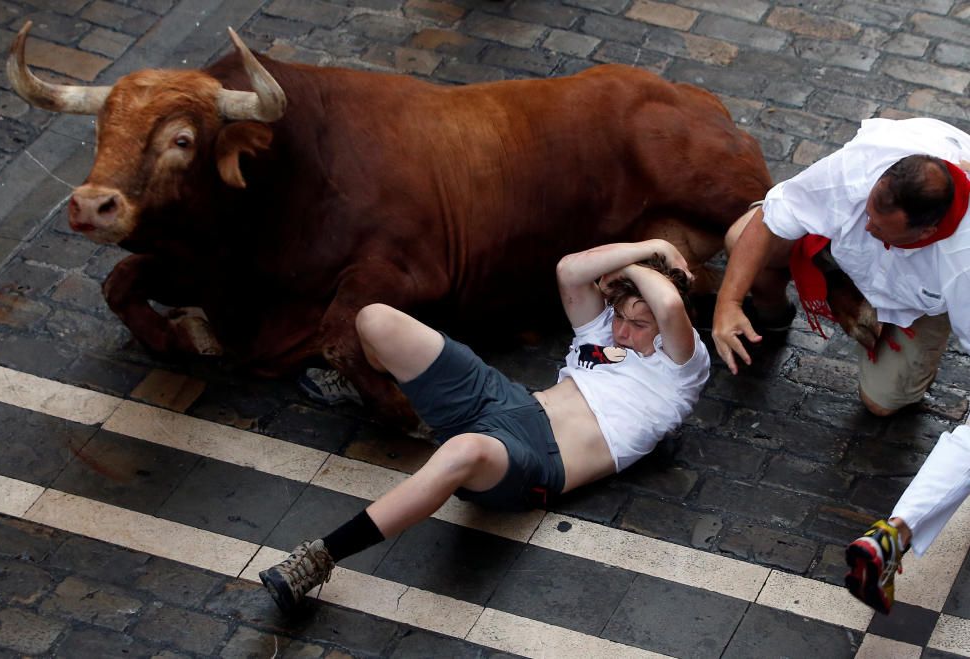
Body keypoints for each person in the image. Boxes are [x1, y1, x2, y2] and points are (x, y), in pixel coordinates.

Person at [259, 239, 711, 613]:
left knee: (463, 452)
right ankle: (398, 405)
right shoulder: (604, 329)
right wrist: (653, 248)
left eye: (639, 324)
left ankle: (321, 558)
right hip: (504, 400)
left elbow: (669, 300)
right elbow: (570, 269)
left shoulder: (680, 367)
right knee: (375, 320)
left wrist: (650, 266)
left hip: (536, 460)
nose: (623, 333)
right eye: (621, 318)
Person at [711, 117, 970, 614]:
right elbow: (770, 217)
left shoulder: (962, 269)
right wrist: (728, 303)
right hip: (859, 270)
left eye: (882, 229)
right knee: (743, 233)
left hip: (921, 306)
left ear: (929, 231)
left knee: (882, 403)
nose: (868, 226)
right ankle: (893, 536)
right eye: (869, 213)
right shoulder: (865, 167)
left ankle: (899, 337)